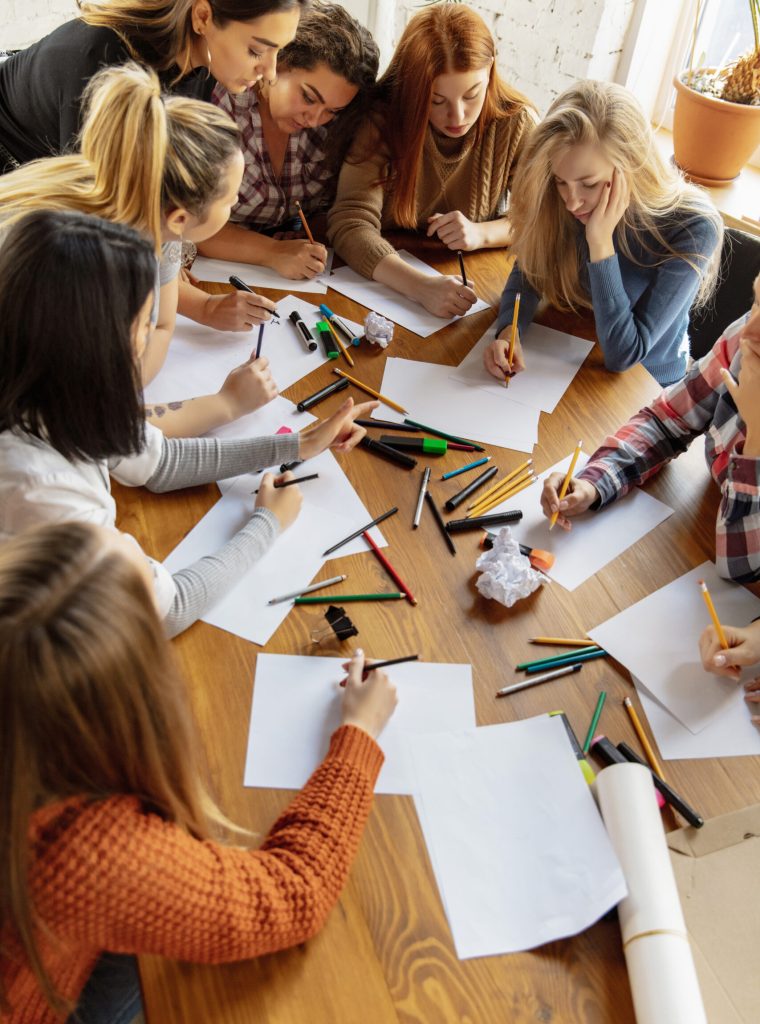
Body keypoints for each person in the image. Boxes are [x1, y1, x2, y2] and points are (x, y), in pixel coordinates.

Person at [0, 520, 398, 1023]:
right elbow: (294, 894)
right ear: (135, 684)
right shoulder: (88, 852)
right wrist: (358, 737)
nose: (133, 541)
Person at [0, 209, 376, 638]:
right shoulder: (44, 489)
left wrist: (297, 445)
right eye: (145, 326)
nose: (151, 337)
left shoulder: (51, 388)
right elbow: (166, 611)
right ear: (97, 346)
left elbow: (158, 462)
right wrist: (267, 524)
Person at [0, 63, 279, 437]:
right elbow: (96, 424)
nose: (236, 204)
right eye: (230, 200)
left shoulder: (147, 204)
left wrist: (124, 379)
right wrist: (224, 404)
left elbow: (163, 326)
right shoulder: (82, 264)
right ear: (180, 217)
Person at [484, 80, 722, 387]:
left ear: (631, 166)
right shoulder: (567, 200)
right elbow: (530, 270)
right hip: (576, 348)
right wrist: (508, 330)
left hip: (648, 386)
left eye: (589, 183)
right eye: (560, 181)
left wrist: (600, 241)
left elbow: (625, 355)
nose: (572, 201)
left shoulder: (693, 227)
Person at [541, 274, 760, 582]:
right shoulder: (745, 336)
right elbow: (667, 420)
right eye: (756, 302)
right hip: (706, 523)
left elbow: (741, 568)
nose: (749, 329)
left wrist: (756, 440)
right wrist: (595, 482)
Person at [326, 5, 534, 319]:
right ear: (413, 88)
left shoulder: (515, 123)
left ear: (491, 72)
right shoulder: (384, 118)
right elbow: (350, 222)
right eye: (436, 101)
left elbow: (541, 223)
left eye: (472, 94)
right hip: (385, 286)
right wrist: (420, 287)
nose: (458, 116)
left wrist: (481, 233)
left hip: (475, 281)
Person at [0, 0, 307, 172]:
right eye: (256, 50)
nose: (270, 72)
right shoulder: (105, 62)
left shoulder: (203, 63)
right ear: (203, 17)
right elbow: (94, 210)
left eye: (278, 51)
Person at [200, 1, 379, 281]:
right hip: (215, 274)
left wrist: (304, 229)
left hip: (294, 280)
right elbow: (188, 224)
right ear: (280, 60)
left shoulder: (333, 129)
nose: (315, 119)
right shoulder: (216, 105)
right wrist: (272, 251)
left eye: (332, 110)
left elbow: (332, 208)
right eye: (308, 97)